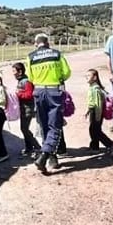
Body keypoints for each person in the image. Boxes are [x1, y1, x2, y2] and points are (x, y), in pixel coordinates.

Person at [28, 34, 72, 174]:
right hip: (54, 91)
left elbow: (30, 77)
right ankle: (44, 155)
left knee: (44, 124)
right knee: (55, 125)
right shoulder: (57, 54)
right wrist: (57, 77)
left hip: (39, 91)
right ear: (48, 42)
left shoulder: (31, 56)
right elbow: (66, 73)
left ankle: (51, 159)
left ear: (36, 44)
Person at [85, 69, 113, 157]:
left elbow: (98, 104)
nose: (86, 78)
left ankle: (110, 144)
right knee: (92, 129)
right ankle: (94, 147)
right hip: (93, 111)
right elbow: (92, 101)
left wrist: (98, 116)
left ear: (95, 77)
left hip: (97, 112)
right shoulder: (92, 87)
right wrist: (88, 110)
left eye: (89, 76)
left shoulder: (96, 89)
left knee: (96, 130)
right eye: (86, 76)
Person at [11, 62, 41, 158]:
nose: (13, 73)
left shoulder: (26, 81)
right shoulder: (20, 81)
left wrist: (18, 94)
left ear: (20, 71)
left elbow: (29, 95)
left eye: (14, 71)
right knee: (24, 129)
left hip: (28, 108)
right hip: (23, 109)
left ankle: (37, 147)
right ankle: (29, 148)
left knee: (24, 129)